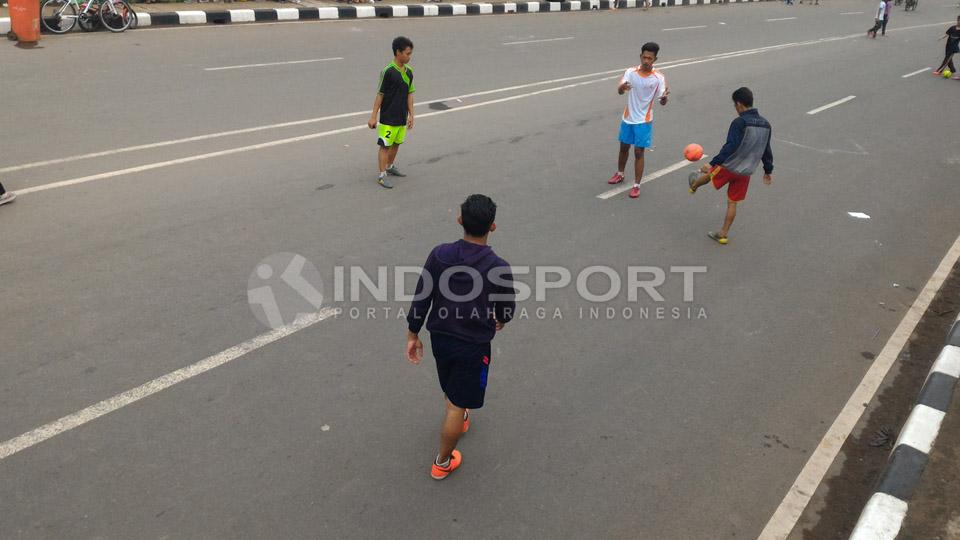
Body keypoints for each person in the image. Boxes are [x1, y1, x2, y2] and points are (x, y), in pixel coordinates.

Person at [406, 194, 515, 480]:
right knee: (456, 404)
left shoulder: (439, 253)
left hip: (440, 337)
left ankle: (459, 410)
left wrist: (412, 333)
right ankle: (442, 462)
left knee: (451, 387)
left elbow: (422, 296)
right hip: (473, 344)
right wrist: (501, 319)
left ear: (459, 220)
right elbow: (506, 308)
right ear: (492, 226)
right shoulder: (498, 266)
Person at [688, 87, 773, 245]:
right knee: (732, 202)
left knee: (710, 174)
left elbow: (730, 146)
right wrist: (768, 170)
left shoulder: (740, 122)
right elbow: (766, 150)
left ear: (739, 104)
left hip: (731, 165)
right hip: (746, 171)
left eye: (735, 105)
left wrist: (712, 162)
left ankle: (693, 184)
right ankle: (723, 234)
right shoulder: (766, 125)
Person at [607, 42, 669, 199]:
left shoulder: (658, 78)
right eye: (644, 57)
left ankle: (636, 185)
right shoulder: (631, 72)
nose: (646, 60)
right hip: (628, 118)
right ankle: (620, 173)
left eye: (650, 58)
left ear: (655, 59)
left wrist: (664, 99)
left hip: (644, 120)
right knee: (623, 148)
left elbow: (662, 99)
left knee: (639, 152)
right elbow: (620, 90)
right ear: (640, 56)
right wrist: (622, 88)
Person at [368, 36, 415, 189]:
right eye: (407, 53)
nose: (409, 57)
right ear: (398, 52)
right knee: (385, 145)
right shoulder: (387, 71)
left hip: (401, 116)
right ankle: (382, 175)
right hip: (388, 117)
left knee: (396, 144)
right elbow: (380, 94)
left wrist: (411, 115)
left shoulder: (409, 72)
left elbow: (410, 93)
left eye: (410, 53)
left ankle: (390, 166)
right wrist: (373, 116)